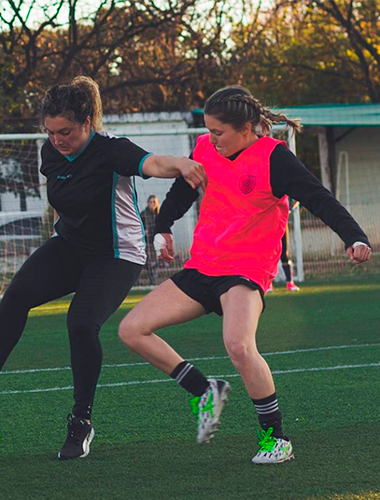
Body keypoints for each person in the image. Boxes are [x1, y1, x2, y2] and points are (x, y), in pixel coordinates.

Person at [0, 76, 206, 461]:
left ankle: (81, 421)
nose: (57, 139)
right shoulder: (49, 153)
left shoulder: (111, 151)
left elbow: (151, 163)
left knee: (81, 322)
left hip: (118, 253)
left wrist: (182, 164)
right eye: (50, 132)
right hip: (71, 246)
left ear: (87, 121)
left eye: (65, 131)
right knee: (16, 295)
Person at [118, 85, 371, 465]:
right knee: (131, 329)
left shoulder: (275, 158)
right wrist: (163, 226)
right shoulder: (205, 149)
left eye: (218, 132)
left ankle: (276, 439)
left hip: (247, 267)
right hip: (204, 263)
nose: (211, 139)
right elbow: (182, 192)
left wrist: (354, 236)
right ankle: (205, 391)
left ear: (247, 128)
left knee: (238, 345)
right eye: (209, 131)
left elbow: (319, 198)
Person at [140, 195, 160, 285]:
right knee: (147, 261)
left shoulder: (159, 214)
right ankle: (146, 281)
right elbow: (139, 225)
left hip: (156, 241)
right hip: (147, 241)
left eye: (154, 202)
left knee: (155, 261)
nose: (152, 204)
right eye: (150, 202)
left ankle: (154, 281)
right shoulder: (144, 214)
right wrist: (144, 230)